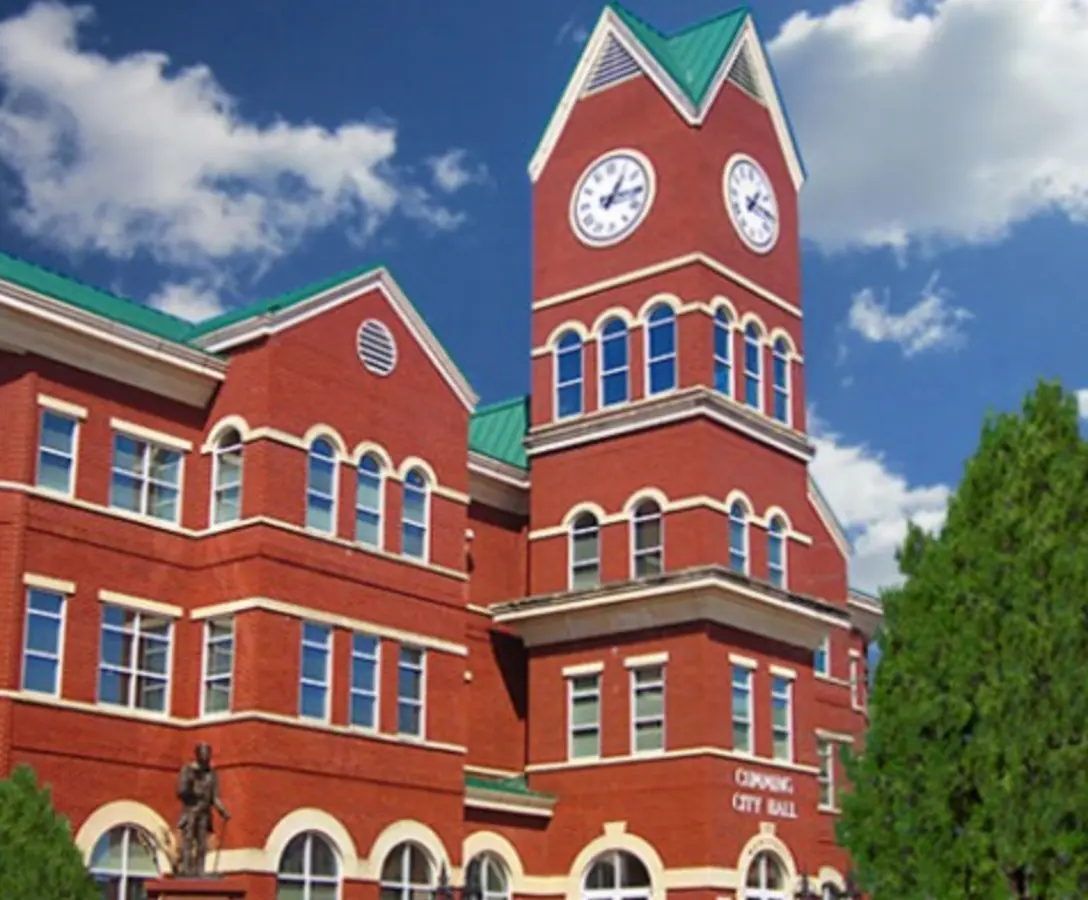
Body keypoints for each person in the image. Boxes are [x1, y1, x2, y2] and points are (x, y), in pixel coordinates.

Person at [176, 742, 231, 877]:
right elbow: (181, 791)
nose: (206, 756)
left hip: (204, 814)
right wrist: (192, 789)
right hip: (190, 812)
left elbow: (214, 797)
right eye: (203, 753)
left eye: (208, 753)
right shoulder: (188, 770)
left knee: (202, 843)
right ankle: (188, 870)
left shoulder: (212, 774)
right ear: (198, 755)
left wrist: (223, 811)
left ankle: (200, 870)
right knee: (188, 841)